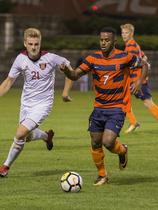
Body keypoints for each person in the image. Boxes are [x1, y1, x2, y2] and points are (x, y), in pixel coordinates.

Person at [59, 27, 148, 185]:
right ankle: (103, 176)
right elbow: (74, 75)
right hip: (98, 108)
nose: (103, 43)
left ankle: (123, 150)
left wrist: (139, 82)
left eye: (107, 40)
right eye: (101, 40)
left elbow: (145, 65)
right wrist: (66, 70)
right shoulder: (93, 59)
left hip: (117, 108)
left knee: (108, 142)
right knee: (95, 142)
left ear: (114, 41)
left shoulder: (124, 56)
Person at [0, 28, 73, 177]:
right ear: (25, 43)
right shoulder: (20, 59)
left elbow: (71, 71)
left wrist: (65, 93)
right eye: (31, 44)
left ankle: (5, 167)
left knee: (19, 134)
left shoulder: (51, 58)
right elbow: (9, 81)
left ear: (40, 44)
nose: (34, 47)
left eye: (37, 44)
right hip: (26, 103)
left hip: (43, 104)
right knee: (26, 136)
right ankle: (47, 136)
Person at [120, 23, 158, 136]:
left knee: (148, 103)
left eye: (126, 33)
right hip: (133, 79)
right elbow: (144, 57)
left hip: (138, 81)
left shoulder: (131, 46)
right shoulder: (133, 45)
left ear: (131, 33)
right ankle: (133, 122)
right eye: (122, 33)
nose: (124, 35)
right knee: (123, 99)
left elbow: (135, 63)